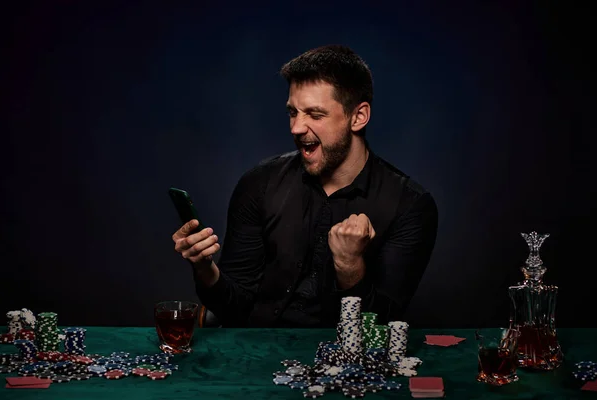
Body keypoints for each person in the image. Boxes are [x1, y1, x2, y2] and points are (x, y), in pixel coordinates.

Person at [172, 45, 438, 328]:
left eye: (315, 114)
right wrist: (204, 269)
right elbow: (234, 308)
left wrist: (350, 266)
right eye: (293, 112)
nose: (296, 128)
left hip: (345, 364)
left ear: (358, 117)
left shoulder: (409, 205)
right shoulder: (258, 184)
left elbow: (381, 328)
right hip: (260, 356)